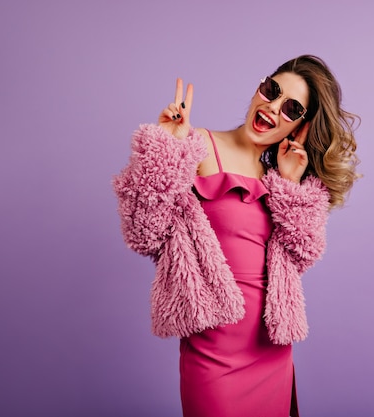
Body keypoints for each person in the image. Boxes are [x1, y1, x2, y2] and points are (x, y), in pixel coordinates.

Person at [113, 55, 359, 417]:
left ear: (299, 126)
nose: (273, 107)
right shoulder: (197, 145)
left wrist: (289, 186)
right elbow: (143, 231)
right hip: (212, 349)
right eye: (271, 90)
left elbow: (301, 254)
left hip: (270, 350)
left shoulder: (282, 174)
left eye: (291, 108)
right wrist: (166, 147)